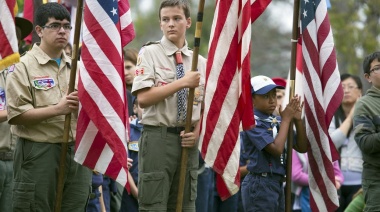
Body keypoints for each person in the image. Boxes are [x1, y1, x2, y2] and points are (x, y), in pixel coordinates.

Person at [6, 3, 92, 211]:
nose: (62, 31)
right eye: (54, 25)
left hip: (77, 152)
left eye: (67, 26)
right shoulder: (22, 66)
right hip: (39, 152)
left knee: (75, 206)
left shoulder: (79, 68)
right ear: (39, 31)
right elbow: (17, 115)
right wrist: (58, 109)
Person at [131, 0, 206, 210]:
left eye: (176, 18)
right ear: (160, 24)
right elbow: (143, 99)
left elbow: (206, 106)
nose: (171, 24)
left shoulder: (200, 62)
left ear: (188, 22)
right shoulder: (149, 53)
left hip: (187, 141)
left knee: (184, 205)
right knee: (154, 205)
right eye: (165, 20)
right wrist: (182, 82)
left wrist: (197, 132)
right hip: (158, 138)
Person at [240, 75, 307, 212]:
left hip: (276, 181)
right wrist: (287, 120)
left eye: (274, 95)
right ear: (252, 99)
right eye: (265, 96)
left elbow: (302, 147)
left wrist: (298, 121)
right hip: (259, 183)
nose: (272, 100)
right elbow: (276, 149)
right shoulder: (252, 122)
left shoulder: (277, 120)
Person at [0, 15, 33, 212]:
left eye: (17, 38)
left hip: (17, 161)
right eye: (9, 36)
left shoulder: (22, 72)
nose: (15, 42)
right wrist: (23, 111)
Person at [329, 73, 363, 211]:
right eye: (342, 87)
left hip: (361, 183)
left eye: (350, 87)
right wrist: (350, 118)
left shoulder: (367, 116)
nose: (346, 91)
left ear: (360, 91)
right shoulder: (331, 116)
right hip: (335, 182)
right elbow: (331, 143)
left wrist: (358, 113)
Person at [353, 51, 380, 211]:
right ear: (368, 77)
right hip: (377, 180)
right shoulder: (365, 104)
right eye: (378, 68)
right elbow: (365, 142)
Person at [120, 97, 142, 212]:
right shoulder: (129, 131)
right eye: (142, 106)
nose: (146, 110)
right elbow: (124, 165)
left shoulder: (161, 133)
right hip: (131, 189)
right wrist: (136, 193)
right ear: (135, 108)